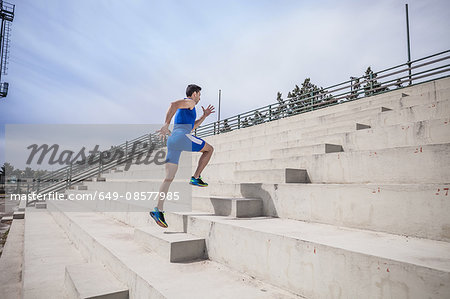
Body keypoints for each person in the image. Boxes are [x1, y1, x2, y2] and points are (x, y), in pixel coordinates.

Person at [149, 84, 215, 228]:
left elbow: (192, 127)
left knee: (168, 178)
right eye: (199, 95)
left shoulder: (189, 110)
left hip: (173, 141)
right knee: (209, 149)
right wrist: (166, 124)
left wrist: (204, 116)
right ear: (195, 94)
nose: (200, 98)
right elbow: (173, 105)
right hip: (182, 137)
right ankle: (196, 177)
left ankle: (158, 210)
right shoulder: (189, 102)